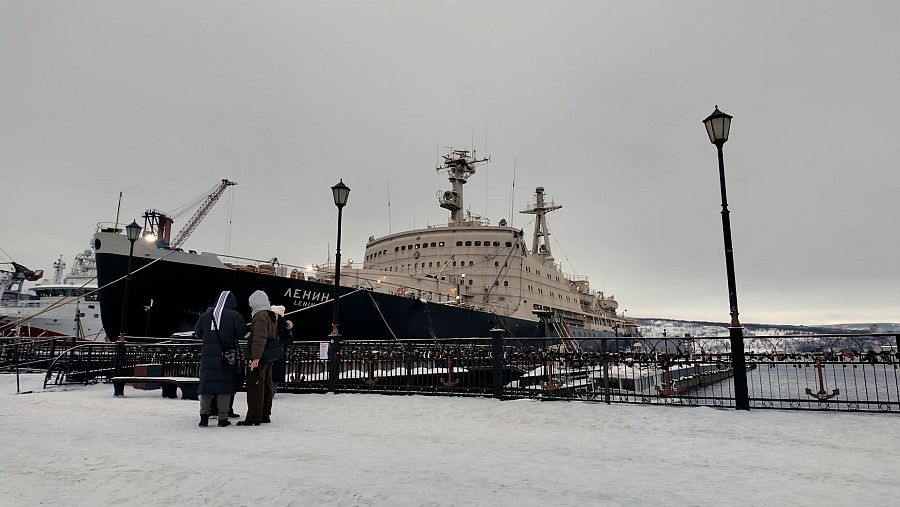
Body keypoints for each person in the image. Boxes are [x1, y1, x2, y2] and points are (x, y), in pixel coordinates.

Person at [195, 290, 245, 428]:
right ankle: (223, 418)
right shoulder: (234, 315)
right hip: (226, 358)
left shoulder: (206, 315)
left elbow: (198, 333)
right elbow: (241, 332)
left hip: (208, 358)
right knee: (224, 387)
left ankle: (204, 417)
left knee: (206, 388)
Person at [237, 290, 276, 426]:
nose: (251, 307)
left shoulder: (260, 316)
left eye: (252, 304)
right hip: (268, 357)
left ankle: (254, 417)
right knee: (266, 386)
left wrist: (255, 357)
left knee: (255, 386)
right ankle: (265, 414)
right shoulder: (271, 315)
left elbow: (259, 338)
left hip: (260, 358)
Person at [270, 305, 294, 394]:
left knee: (271, 372)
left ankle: (269, 393)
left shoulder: (270, 324)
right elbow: (290, 339)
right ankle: (270, 392)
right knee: (275, 374)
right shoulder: (284, 325)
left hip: (272, 351)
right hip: (279, 352)